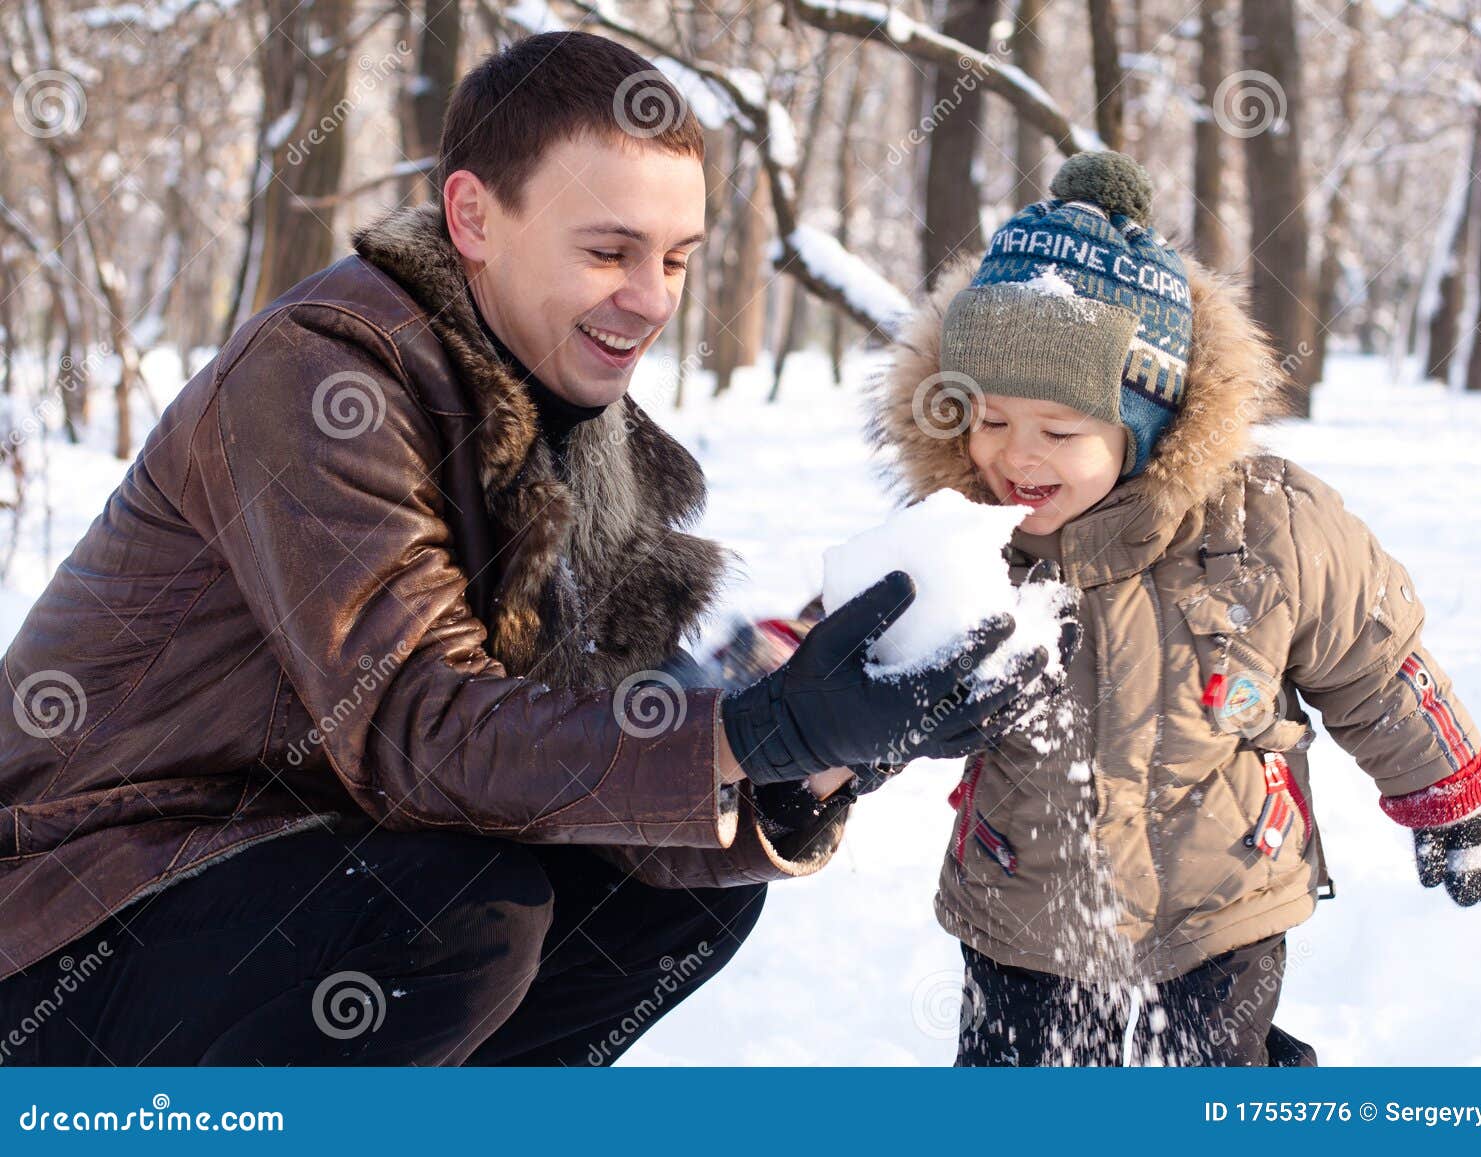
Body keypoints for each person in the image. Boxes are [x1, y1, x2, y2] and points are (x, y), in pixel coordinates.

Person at [0, 31, 1048, 1065]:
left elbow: (586, 758)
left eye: (677, 259)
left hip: (308, 869)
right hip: (77, 912)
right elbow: (421, 729)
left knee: (674, 895)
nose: (652, 299)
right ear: (473, 217)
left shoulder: (577, 426)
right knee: (458, 912)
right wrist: (751, 727)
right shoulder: (324, 379)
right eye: (608, 251)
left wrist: (813, 748)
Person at [867, 150, 1481, 1067]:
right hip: (1024, 903)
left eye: (1060, 430)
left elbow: (1377, 663)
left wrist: (1449, 794)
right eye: (992, 419)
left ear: (1147, 423)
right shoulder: (962, 539)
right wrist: (803, 757)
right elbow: (862, 666)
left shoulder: (1269, 527)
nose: (1017, 455)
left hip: (1225, 899)